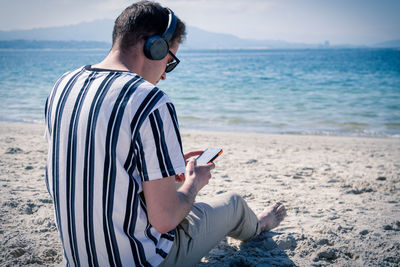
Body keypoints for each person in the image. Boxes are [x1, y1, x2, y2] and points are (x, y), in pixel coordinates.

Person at [44, 1, 287, 266]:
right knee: (234, 204)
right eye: (169, 62)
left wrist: (160, 164)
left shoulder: (63, 86)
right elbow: (165, 219)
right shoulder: (149, 100)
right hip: (142, 260)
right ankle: (259, 225)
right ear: (155, 47)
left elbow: (93, 158)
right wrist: (193, 183)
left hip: (80, 258)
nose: (164, 76)